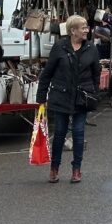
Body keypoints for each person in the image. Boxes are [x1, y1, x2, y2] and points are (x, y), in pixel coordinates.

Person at [37, 15, 101, 184]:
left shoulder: (91, 49)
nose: (86, 30)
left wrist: (94, 94)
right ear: (73, 31)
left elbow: (96, 73)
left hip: (82, 97)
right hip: (61, 96)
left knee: (79, 133)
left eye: (87, 27)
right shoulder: (59, 48)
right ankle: (54, 168)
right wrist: (41, 98)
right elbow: (47, 74)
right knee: (59, 133)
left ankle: (76, 169)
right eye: (83, 28)